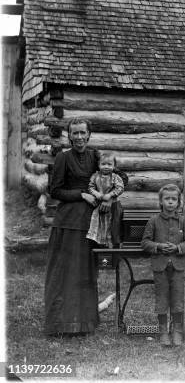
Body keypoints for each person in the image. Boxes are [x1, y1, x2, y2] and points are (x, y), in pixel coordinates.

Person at [44, 119, 118, 335]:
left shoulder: (96, 156)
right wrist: (81, 194)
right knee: (64, 273)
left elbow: (120, 176)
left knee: (85, 272)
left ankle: (84, 324)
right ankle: (60, 324)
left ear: (89, 134)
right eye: (74, 133)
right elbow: (55, 190)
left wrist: (108, 197)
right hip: (67, 222)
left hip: (91, 223)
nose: (78, 137)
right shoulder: (63, 158)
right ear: (69, 135)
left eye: (82, 133)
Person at [141, 184, 185, 346]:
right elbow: (145, 242)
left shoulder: (184, 221)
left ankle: (177, 331)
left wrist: (178, 248)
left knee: (178, 298)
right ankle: (163, 331)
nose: (170, 202)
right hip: (160, 266)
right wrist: (157, 246)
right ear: (161, 201)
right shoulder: (153, 221)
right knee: (162, 298)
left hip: (178, 266)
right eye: (167, 199)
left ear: (178, 202)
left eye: (174, 199)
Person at [86, 153, 124, 247]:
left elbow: (120, 188)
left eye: (109, 164)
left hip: (114, 206)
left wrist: (111, 195)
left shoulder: (115, 177)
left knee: (113, 225)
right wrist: (96, 193)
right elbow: (90, 187)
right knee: (100, 224)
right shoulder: (95, 176)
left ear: (114, 166)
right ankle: (100, 244)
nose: (106, 167)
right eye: (103, 164)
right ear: (99, 165)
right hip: (99, 205)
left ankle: (113, 246)